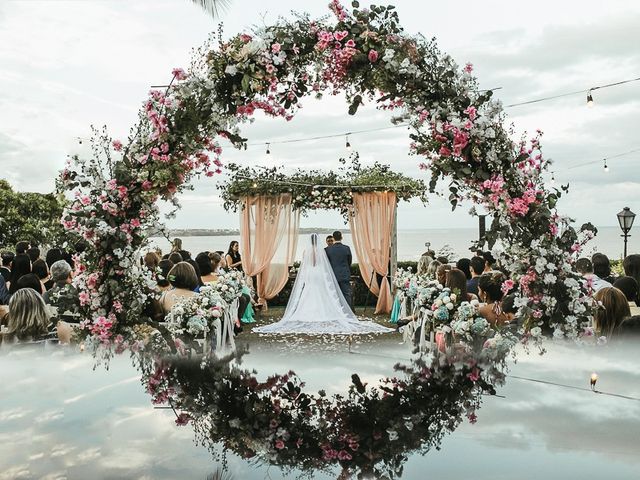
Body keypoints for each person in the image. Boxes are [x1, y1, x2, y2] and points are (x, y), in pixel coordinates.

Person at [253, 234, 393, 335]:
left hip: (310, 274)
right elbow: (326, 264)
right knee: (323, 293)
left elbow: (305, 265)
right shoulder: (322, 251)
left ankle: (306, 312)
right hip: (319, 273)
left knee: (308, 293)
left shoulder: (306, 251)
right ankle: (332, 311)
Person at [324, 230, 353, 310]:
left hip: (333, 275)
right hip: (344, 274)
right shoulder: (347, 248)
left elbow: (327, 263)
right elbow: (349, 261)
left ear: (333, 238)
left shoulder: (328, 250)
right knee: (346, 294)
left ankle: (336, 311)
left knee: (334, 294)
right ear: (341, 237)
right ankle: (348, 312)